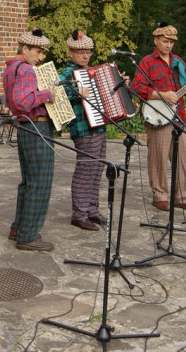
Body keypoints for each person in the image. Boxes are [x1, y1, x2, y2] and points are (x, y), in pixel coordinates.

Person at [130, 22, 186, 212]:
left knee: (183, 157)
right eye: (165, 41)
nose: (169, 45)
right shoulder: (147, 62)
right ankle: (160, 195)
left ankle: (181, 196)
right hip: (157, 117)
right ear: (156, 40)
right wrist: (162, 94)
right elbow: (136, 88)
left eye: (172, 42)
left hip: (179, 116)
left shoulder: (179, 62)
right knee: (158, 158)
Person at [2, 28, 56, 252]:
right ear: (25, 49)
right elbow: (21, 101)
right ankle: (28, 235)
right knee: (40, 183)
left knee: (28, 181)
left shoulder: (11, 67)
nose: (41, 57)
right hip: (37, 126)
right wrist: (47, 94)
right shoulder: (26, 70)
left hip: (26, 127)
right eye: (39, 51)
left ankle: (19, 227)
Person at [58, 30, 108, 231]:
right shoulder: (66, 74)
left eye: (88, 52)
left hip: (99, 125)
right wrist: (76, 94)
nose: (85, 56)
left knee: (98, 168)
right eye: (80, 52)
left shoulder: (93, 72)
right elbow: (59, 97)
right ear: (70, 53)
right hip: (82, 128)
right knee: (85, 170)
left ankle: (92, 210)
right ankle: (79, 214)